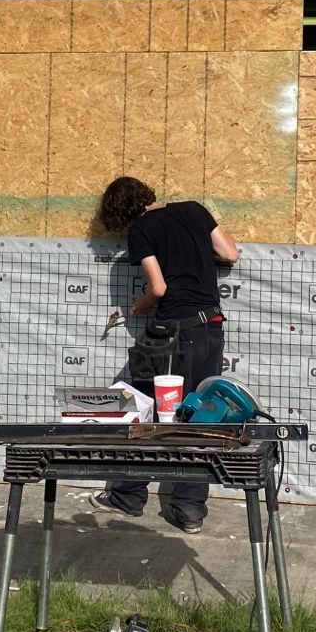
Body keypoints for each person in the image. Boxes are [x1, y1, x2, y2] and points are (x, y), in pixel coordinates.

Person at [86, 175, 239, 533]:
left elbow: (158, 287)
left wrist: (139, 303)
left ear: (119, 212)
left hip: (173, 332)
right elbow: (229, 252)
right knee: (200, 416)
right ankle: (190, 510)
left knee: (144, 407)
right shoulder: (194, 210)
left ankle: (127, 497)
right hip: (210, 328)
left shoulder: (142, 228)